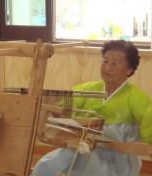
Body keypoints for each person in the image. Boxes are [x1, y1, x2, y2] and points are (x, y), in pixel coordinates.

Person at [32, 40, 152, 176]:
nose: (107, 68)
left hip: (116, 160)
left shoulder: (137, 98)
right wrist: (47, 109)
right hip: (79, 150)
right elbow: (63, 111)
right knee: (44, 167)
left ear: (129, 69)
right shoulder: (86, 89)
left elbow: (150, 135)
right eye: (105, 61)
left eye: (114, 63)